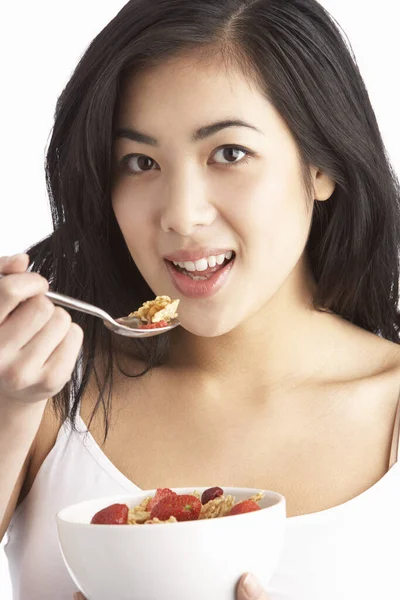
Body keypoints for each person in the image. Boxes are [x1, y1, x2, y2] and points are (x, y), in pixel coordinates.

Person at [1, 0, 400, 598]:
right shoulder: (39, 398)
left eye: (229, 153)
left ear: (320, 164)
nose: (182, 216)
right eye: (139, 162)